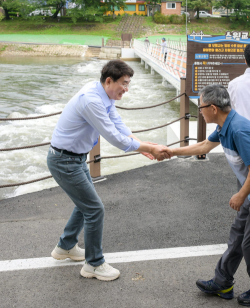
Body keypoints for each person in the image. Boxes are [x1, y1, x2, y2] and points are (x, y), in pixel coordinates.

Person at [47, 60, 170, 282]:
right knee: (94, 209)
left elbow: (118, 125)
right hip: (64, 161)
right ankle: (93, 265)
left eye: (129, 84)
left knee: (85, 204)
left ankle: (65, 246)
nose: (126, 89)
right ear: (109, 80)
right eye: (124, 83)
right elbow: (113, 137)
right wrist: (148, 147)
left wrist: (141, 145)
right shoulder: (92, 101)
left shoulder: (105, 95)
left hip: (73, 158)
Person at [167, 85, 250, 307]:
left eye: (200, 107)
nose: (199, 111)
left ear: (212, 108)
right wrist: (169, 152)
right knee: (236, 239)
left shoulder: (239, 130)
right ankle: (223, 283)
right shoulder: (224, 126)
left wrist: (240, 195)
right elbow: (203, 146)